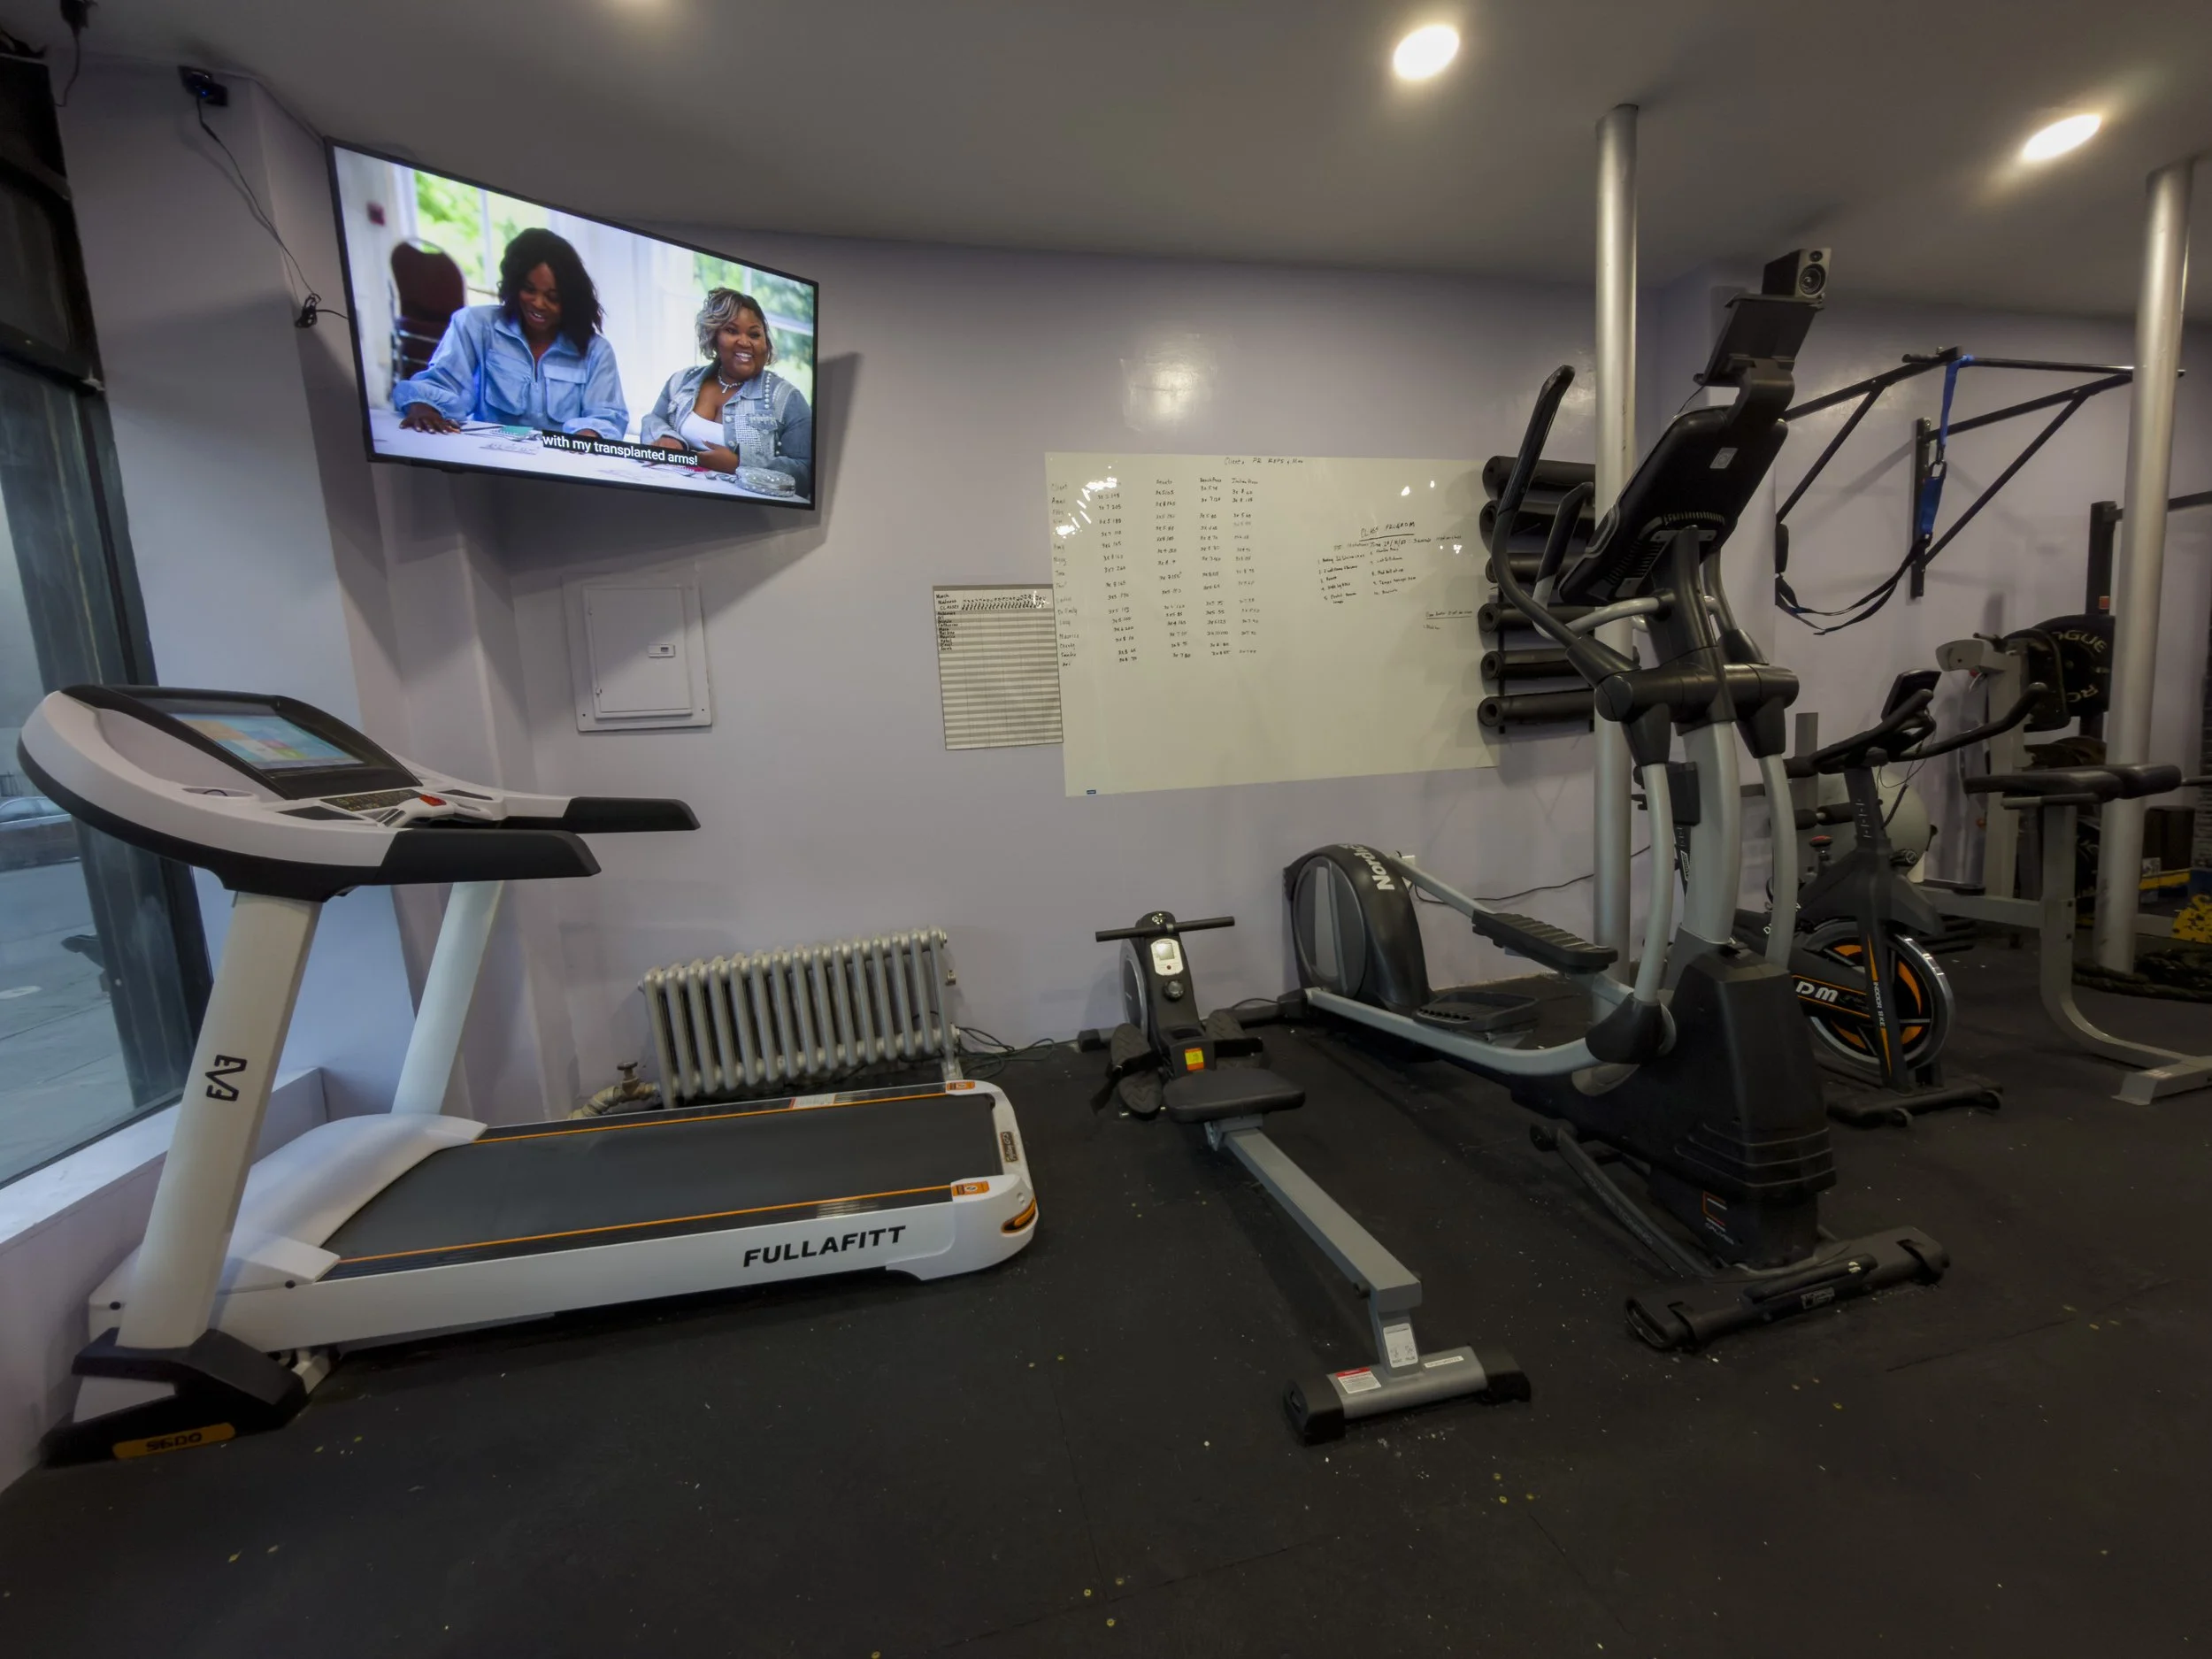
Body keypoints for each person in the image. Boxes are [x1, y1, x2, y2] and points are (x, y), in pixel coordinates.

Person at [391, 227, 627, 441]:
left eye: (553, 298)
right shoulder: (475, 324)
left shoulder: (596, 351)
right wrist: (424, 406)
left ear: (571, 301)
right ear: (514, 285)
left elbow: (607, 417)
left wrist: (590, 435)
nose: (538, 303)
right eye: (529, 290)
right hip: (488, 461)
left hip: (562, 465)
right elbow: (442, 383)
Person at [640, 288, 813, 495]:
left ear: (765, 342)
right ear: (714, 336)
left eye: (754, 334)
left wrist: (740, 466)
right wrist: (666, 437)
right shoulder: (681, 381)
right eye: (732, 331)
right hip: (668, 496)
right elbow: (653, 419)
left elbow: (805, 474)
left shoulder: (787, 399)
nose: (745, 342)